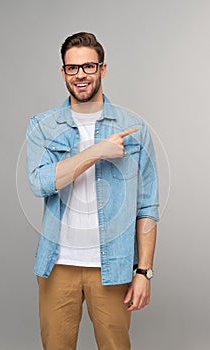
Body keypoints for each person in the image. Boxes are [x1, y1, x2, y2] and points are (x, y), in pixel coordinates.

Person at [26, 32, 159, 350]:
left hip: (113, 266)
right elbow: (40, 183)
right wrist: (96, 151)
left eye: (88, 66)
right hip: (58, 265)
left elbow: (147, 207)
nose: (80, 75)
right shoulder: (43, 126)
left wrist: (144, 271)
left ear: (103, 69)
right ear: (63, 73)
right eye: (72, 68)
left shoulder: (134, 128)